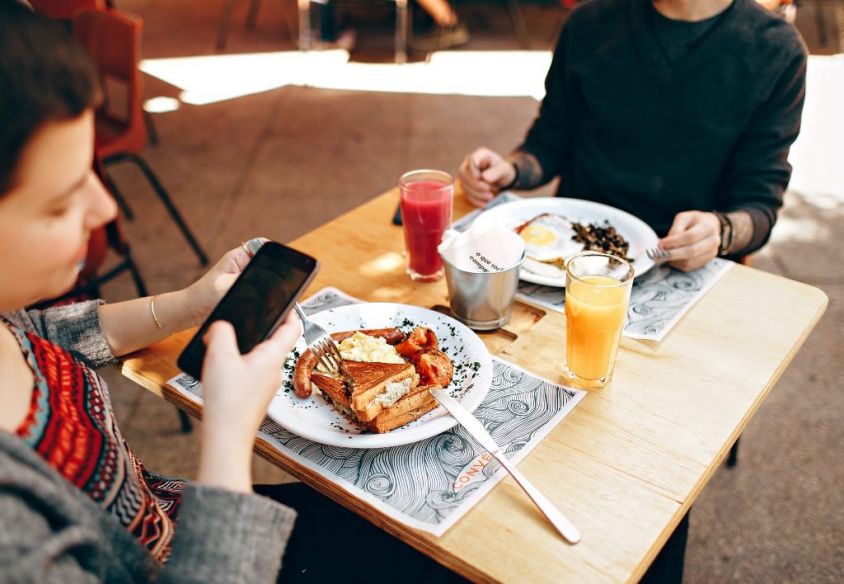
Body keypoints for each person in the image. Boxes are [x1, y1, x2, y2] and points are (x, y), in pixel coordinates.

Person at [0, 4, 464, 582]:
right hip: (209, 554)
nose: (106, 208)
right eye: (61, 201)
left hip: (178, 511)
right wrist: (226, 431)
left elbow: (46, 335)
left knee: (427, 530)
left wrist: (194, 302)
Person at [459, 0, 807, 272]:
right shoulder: (589, 23)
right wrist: (511, 169)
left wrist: (720, 230)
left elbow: (759, 205)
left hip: (682, 263)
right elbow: (548, 142)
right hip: (569, 251)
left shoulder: (776, 49)